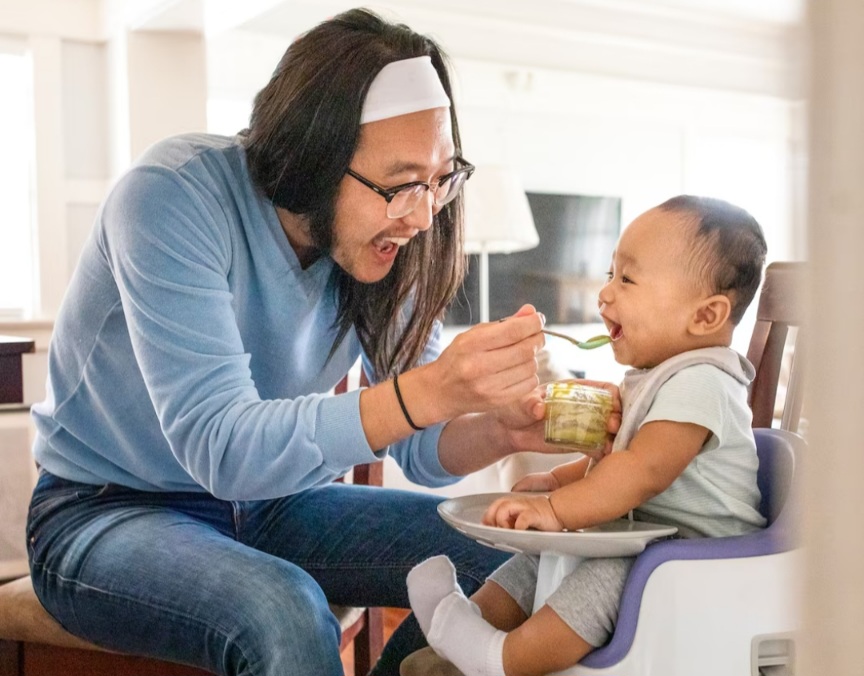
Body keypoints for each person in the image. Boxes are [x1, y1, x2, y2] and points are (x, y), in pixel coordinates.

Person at [23, 9, 587, 676]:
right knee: (282, 607)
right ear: (312, 158)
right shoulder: (173, 196)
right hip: (104, 512)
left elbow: (421, 451)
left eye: (441, 179)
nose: (424, 213)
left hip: (274, 503)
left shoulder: (393, 235)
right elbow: (222, 449)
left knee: (514, 564)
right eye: (401, 183)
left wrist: (498, 430)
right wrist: (430, 390)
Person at [404, 195, 769, 676]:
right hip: (650, 542)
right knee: (544, 555)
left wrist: (554, 510)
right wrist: (559, 482)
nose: (605, 295)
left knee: (598, 579)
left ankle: (499, 658)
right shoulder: (655, 376)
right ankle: (465, 625)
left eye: (628, 279)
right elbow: (621, 455)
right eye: (609, 275)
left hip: (695, 559)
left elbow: (643, 471)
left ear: (705, 316)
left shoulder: (702, 381)